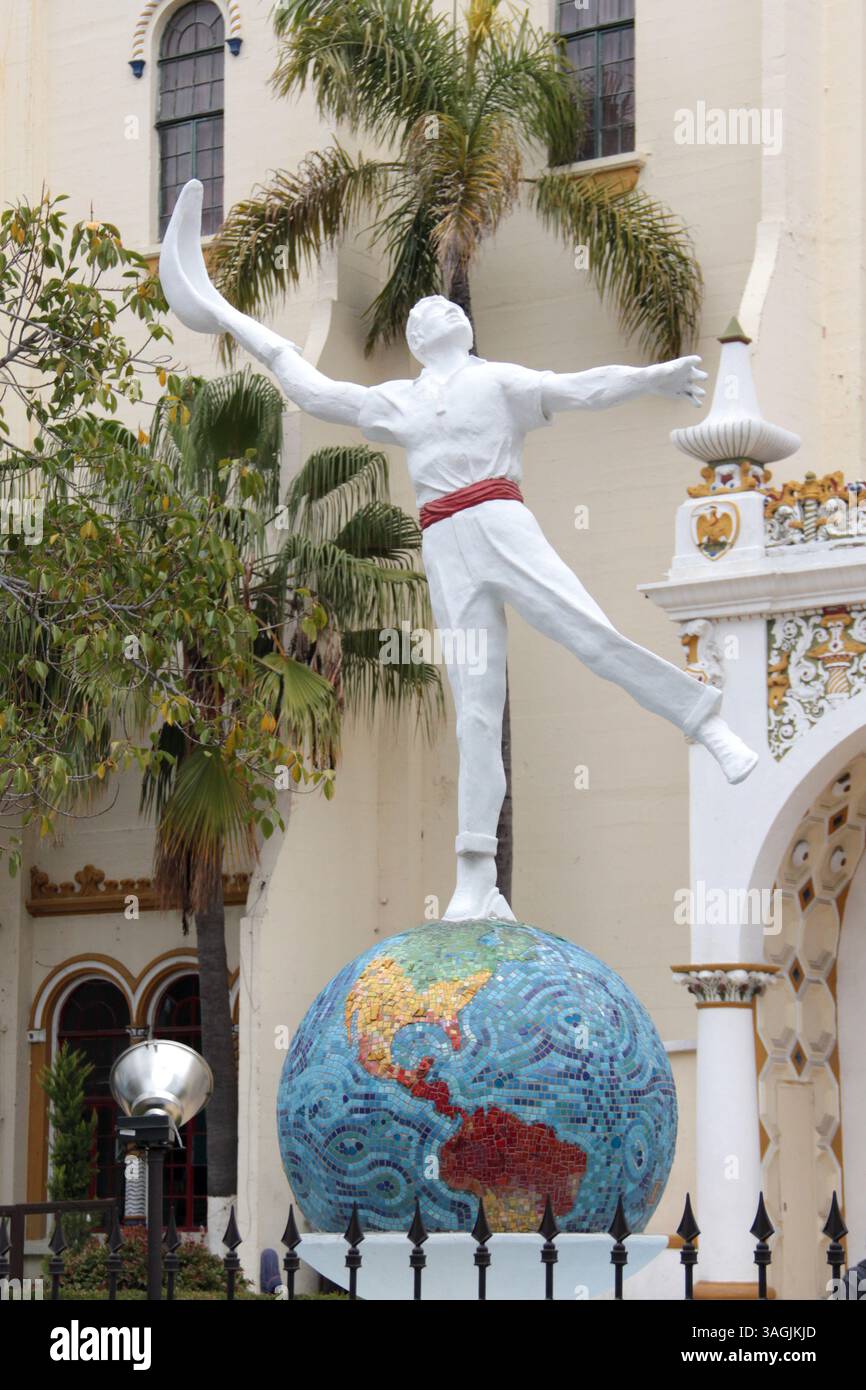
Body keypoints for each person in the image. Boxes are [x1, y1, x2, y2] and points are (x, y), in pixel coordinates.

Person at [161, 180, 758, 922]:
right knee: (474, 710)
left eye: (443, 305)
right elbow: (310, 387)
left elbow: (580, 387)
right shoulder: (403, 403)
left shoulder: (499, 382)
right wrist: (234, 320)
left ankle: (705, 721)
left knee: (588, 632)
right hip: (445, 544)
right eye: (421, 310)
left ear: (464, 329)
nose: (434, 308)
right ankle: (476, 877)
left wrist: (652, 378)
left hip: (500, 521)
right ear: (416, 342)